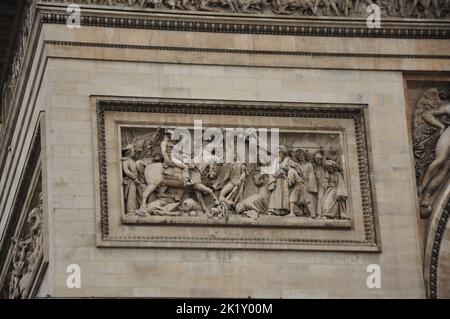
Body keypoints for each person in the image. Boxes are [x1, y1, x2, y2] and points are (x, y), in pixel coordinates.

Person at [268, 144, 292, 216]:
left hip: (284, 180)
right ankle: (274, 209)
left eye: (280, 152)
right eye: (278, 153)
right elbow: (271, 172)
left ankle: (284, 210)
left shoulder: (287, 160)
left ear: (283, 153)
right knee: (276, 194)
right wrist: (276, 175)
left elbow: (292, 170)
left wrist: (286, 171)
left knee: (284, 194)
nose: (279, 154)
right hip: (277, 180)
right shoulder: (275, 161)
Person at [293, 149, 318, 217]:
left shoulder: (309, 164)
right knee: (299, 199)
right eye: (299, 156)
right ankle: (303, 213)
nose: (301, 157)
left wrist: (311, 185)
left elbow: (311, 175)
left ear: (305, 156)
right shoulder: (297, 165)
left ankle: (311, 213)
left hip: (307, 183)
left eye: (302, 155)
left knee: (308, 199)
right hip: (300, 183)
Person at [122, 144, 143, 214]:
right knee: (131, 195)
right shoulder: (126, 160)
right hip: (131, 180)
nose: (134, 153)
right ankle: (130, 210)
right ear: (129, 153)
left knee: (137, 195)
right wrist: (134, 178)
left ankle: (139, 208)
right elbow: (126, 171)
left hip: (135, 180)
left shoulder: (132, 161)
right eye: (133, 151)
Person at [314, 152, 328, 218]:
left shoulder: (325, 168)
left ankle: (324, 214)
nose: (318, 160)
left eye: (319, 159)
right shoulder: (315, 168)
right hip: (318, 186)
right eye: (316, 159)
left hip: (325, 185)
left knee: (325, 199)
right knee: (319, 199)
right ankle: (319, 214)